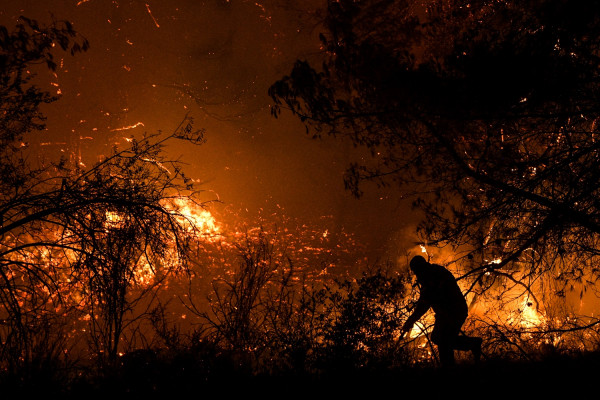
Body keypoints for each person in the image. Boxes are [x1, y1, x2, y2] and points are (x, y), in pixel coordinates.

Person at [401, 255, 482, 366]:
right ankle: (468, 348)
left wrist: (411, 320)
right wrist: (411, 319)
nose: (416, 274)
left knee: (443, 339)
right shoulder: (431, 274)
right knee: (441, 339)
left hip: (454, 311)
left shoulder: (433, 276)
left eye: (416, 271)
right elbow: (424, 301)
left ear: (420, 268)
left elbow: (425, 303)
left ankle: (469, 347)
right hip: (446, 312)